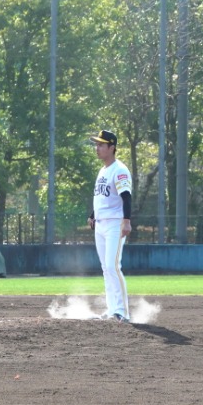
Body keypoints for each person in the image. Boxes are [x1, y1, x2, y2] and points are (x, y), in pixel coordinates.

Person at [88, 130, 132, 323]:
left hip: (115, 224)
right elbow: (102, 198)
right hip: (100, 224)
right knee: (106, 268)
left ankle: (122, 312)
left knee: (114, 266)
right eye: (96, 144)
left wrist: (127, 222)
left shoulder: (119, 170)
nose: (97, 148)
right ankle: (112, 309)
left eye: (101, 145)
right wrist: (92, 215)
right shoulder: (103, 170)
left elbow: (126, 197)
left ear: (112, 147)